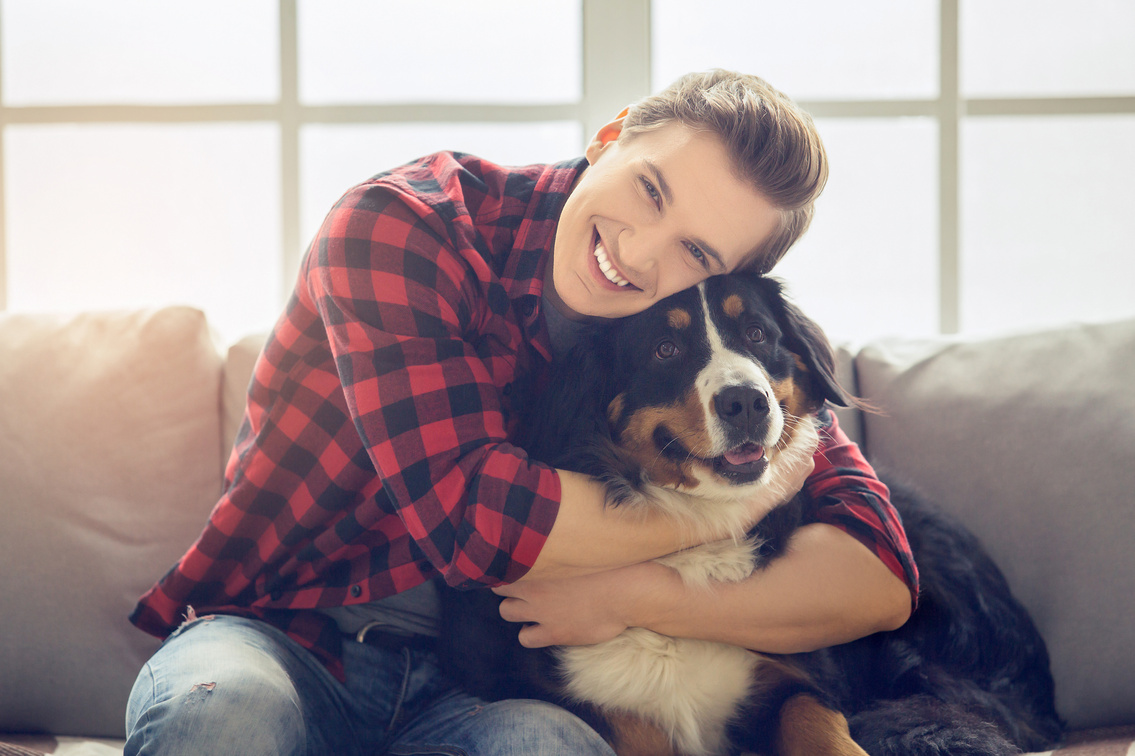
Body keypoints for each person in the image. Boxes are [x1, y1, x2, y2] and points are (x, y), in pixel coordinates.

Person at [124, 69, 918, 756]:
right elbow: (477, 525)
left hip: (487, 683)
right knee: (220, 713)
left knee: (554, 748)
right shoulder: (404, 226)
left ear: (725, 280)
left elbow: (881, 573)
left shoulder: (682, 349)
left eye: (698, 254)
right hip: (288, 633)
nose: (642, 254)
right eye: (650, 191)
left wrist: (645, 599)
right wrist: (749, 498)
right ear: (609, 137)